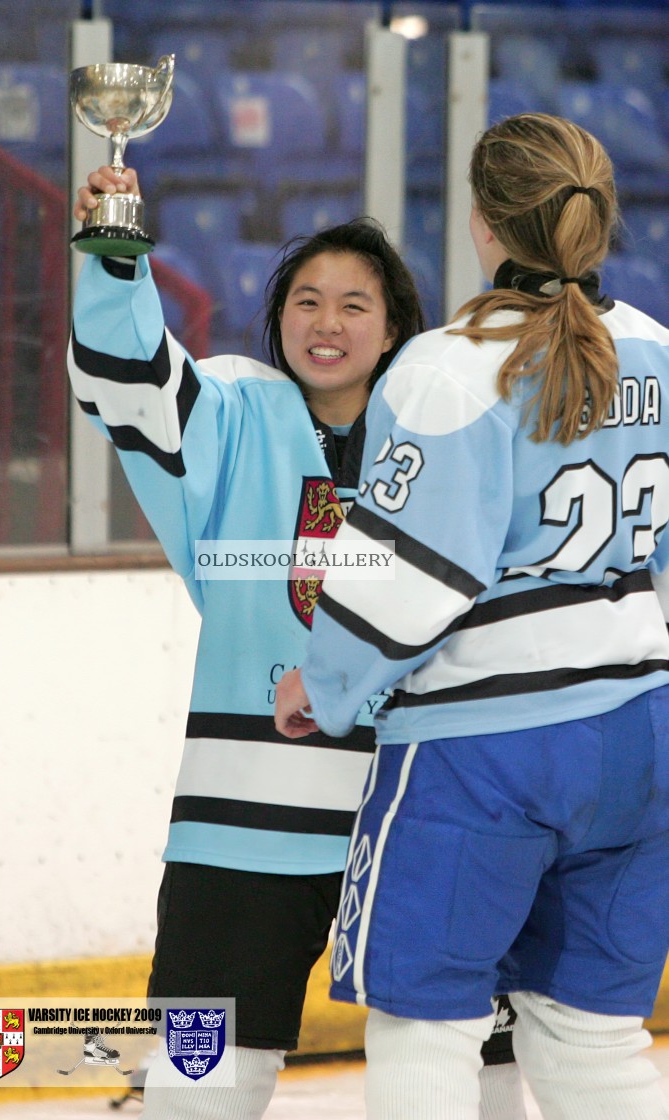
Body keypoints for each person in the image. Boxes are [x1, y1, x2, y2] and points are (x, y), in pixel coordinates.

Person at [68, 165, 524, 1120]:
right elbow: (134, 386)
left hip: (424, 808)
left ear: (394, 328)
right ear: (277, 319)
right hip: (245, 816)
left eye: (355, 304)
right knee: (204, 1080)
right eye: (306, 300)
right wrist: (116, 258)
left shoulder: (450, 429)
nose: (327, 321)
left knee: (460, 1064)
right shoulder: (233, 415)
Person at [275, 111, 669, 1120]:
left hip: (483, 751)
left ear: (484, 221)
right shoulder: (657, 352)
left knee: (426, 1021)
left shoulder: (448, 366)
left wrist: (323, 685)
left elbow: (409, 580)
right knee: (591, 1033)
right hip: (640, 738)